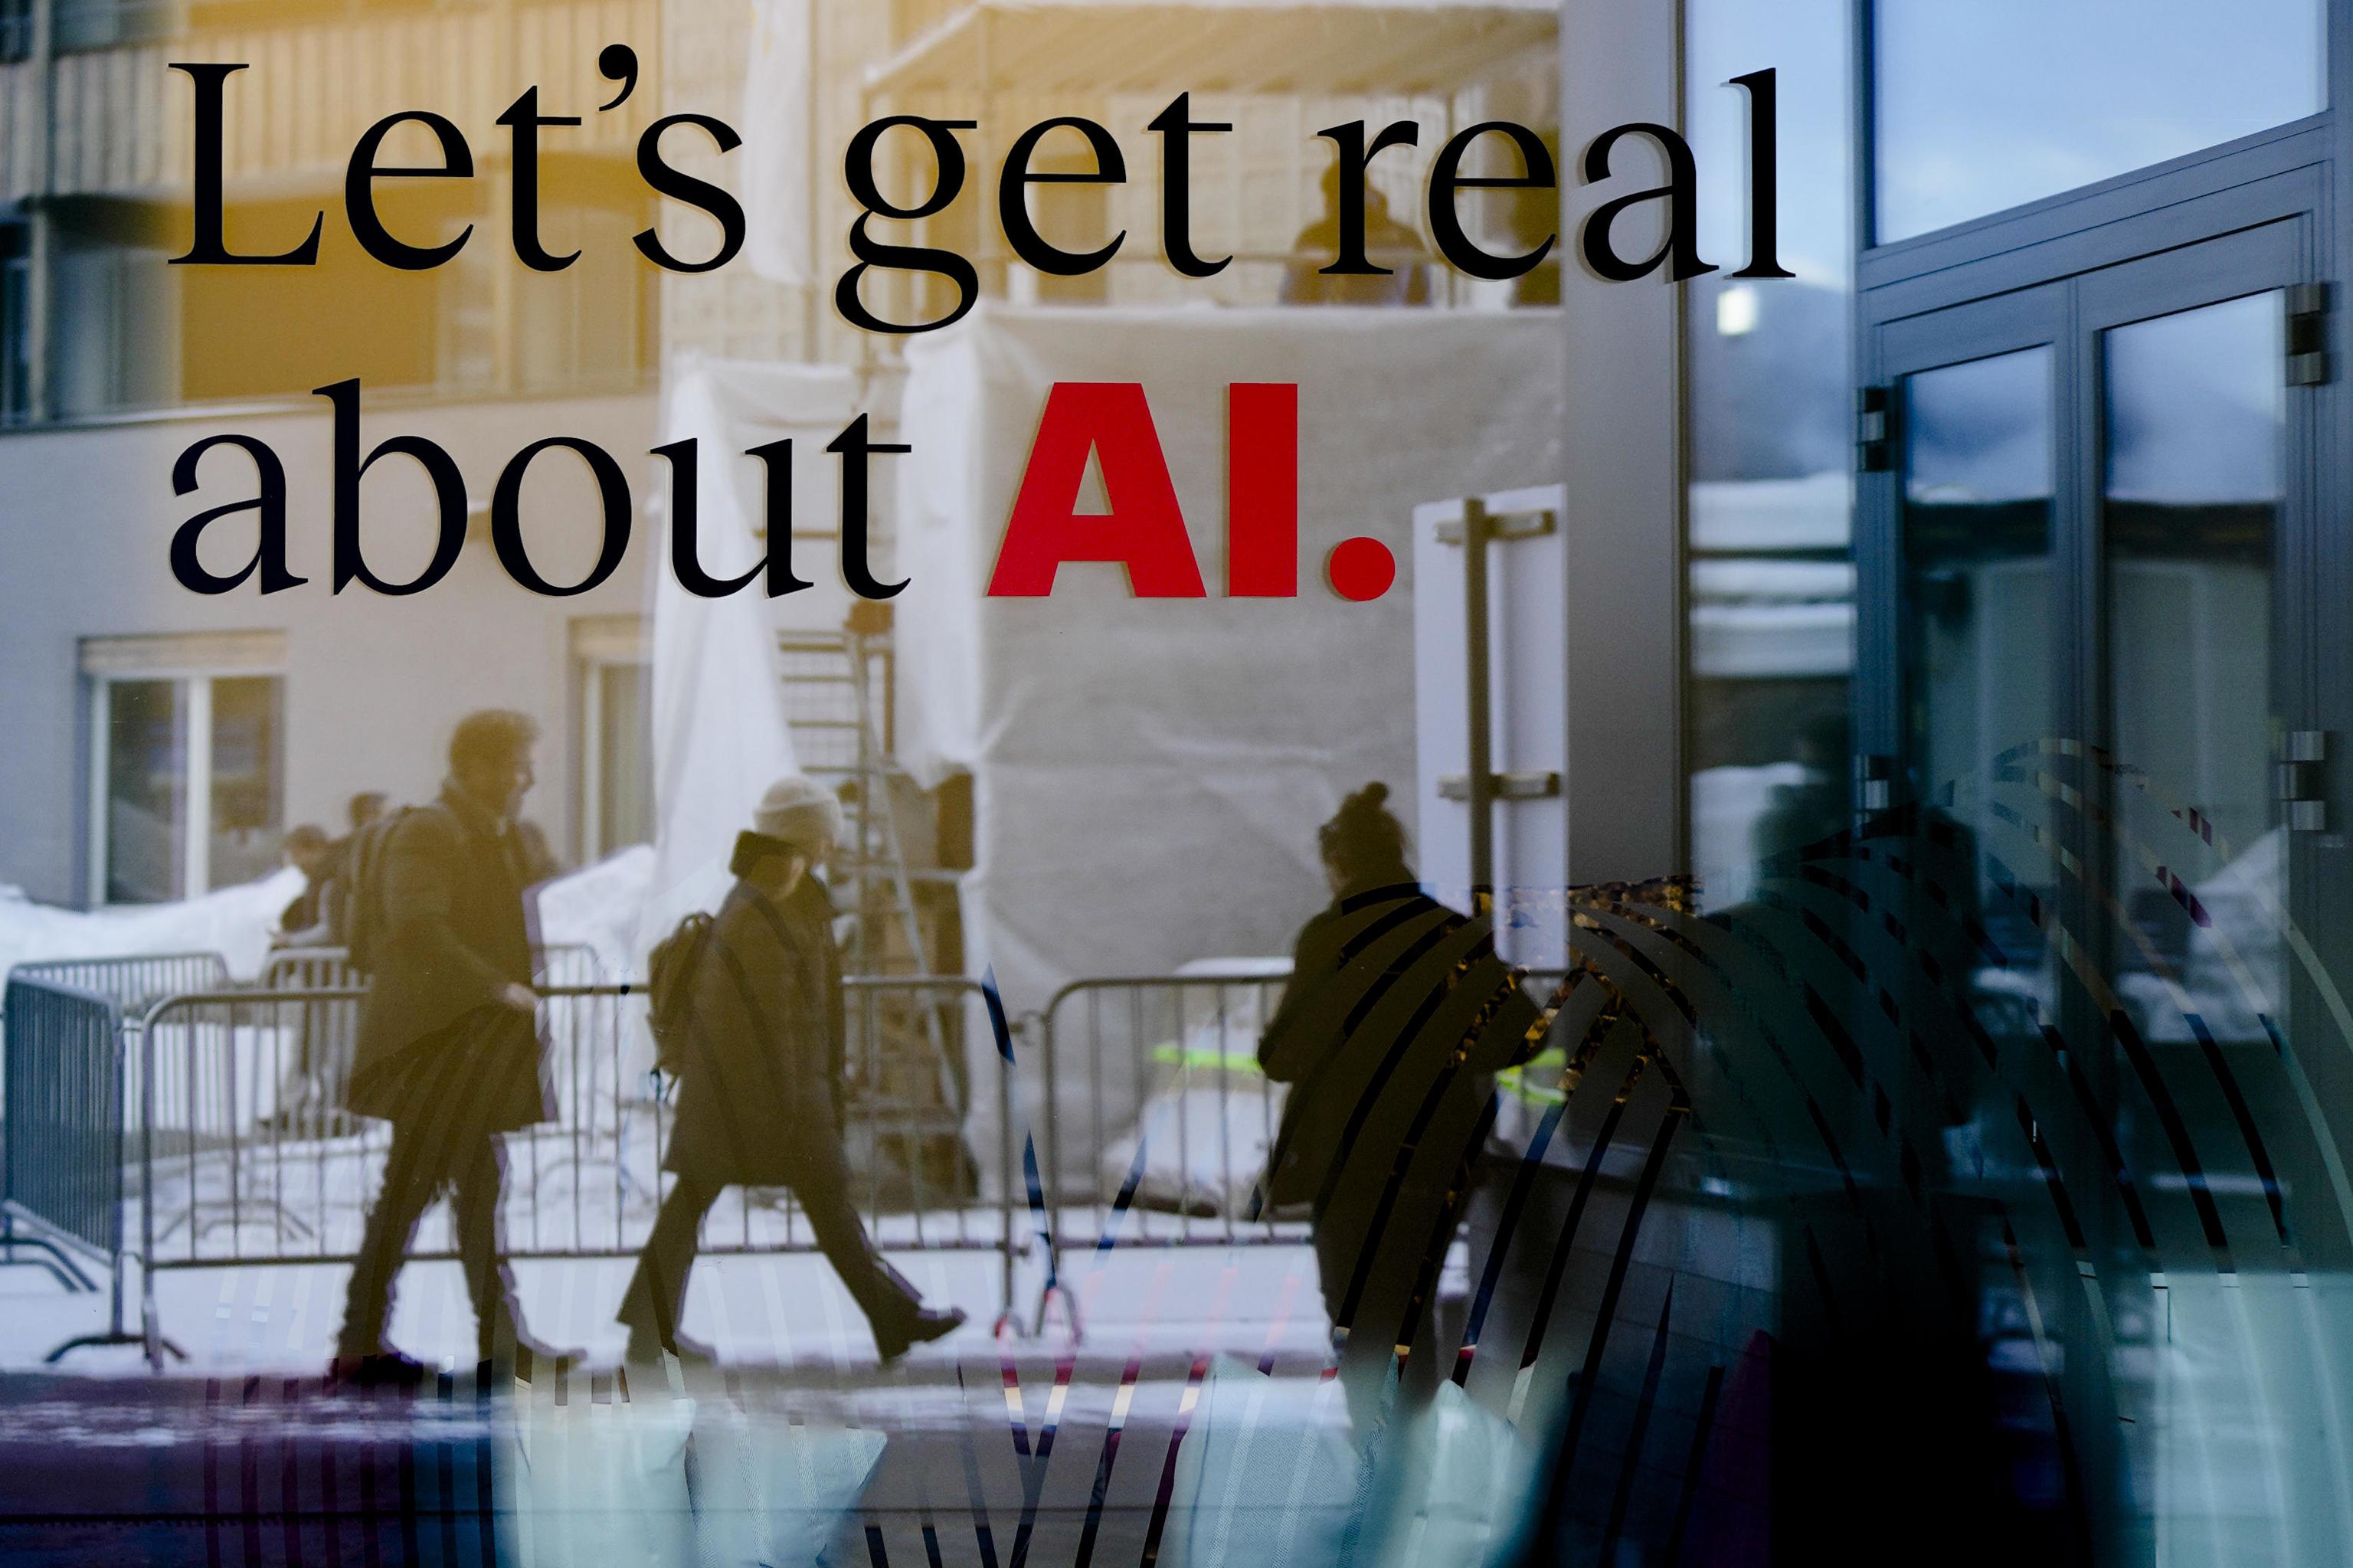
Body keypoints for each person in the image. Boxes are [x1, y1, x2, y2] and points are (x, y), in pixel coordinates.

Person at [617, 776, 966, 1367]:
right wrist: (793, 1103)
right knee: (809, 1203)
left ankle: (892, 1318)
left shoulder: (779, 894)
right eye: (826, 830)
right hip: (765, 1098)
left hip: (753, 1095)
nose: (834, 841)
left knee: (738, 1204)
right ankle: (893, 1318)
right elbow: (768, 1022)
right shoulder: (766, 905)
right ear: (806, 835)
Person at [1258, 784, 1539, 1435]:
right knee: (1410, 1304)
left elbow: (1282, 1056)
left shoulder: (1330, 937)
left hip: (1346, 1155)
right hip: (1439, 1151)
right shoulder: (1452, 935)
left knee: (1356, 1308)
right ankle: (1411, 1452)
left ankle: (1378, 1455)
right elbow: (1525, 1033)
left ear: (1339, 865)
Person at [332, 710, 580, 1384]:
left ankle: (489, 1343)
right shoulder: (430, 831)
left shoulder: (485, 834)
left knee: (465, 1192)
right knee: (415, 1196)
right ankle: (366, 1344)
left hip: (459, 1055)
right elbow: (418, 926)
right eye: (515, 765)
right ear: (476, 767)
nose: (526, 779)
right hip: (433, 1054)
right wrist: (497, 986)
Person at [1280, 162, 1433, 306]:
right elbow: (1423, 300)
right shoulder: (1408, 237)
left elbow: (1292, 299)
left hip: (1335, 328)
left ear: (1330, 198)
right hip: (1393, 328)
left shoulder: (1315, 237)